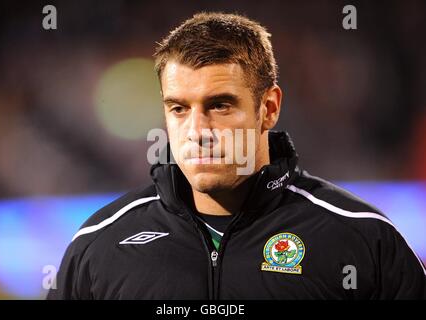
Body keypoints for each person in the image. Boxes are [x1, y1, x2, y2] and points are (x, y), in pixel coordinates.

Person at [47, 12, 426, 299]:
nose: (198, 131)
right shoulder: (99, 246)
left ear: (269, 107)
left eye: (220, 105)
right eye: (179, 108)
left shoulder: (362, 239)